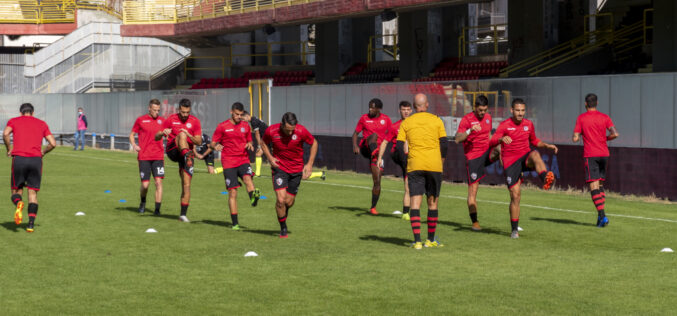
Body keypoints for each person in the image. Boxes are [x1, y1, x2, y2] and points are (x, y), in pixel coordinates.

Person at [489, 98, 558, 239]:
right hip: (510, 163)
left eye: (523, 110)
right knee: (515, 196)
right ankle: (514, 230)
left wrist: (546, 145)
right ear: (512, 110)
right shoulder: (504, 125)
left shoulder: (529, 124)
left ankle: (545, 178)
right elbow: (492, 141)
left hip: (525, 157)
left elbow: (534, 141)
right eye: (518, 110)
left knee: (535, 154)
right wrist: (501, 139)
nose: (520, 113)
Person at [396, 94, 447, 250]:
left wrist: (407, 163)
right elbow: (444, 145)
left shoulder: (407, 122)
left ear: (414, 106)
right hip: (434, 166)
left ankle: (417, 241)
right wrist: (441, 162)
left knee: (415, 203)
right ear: (427, 105)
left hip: (415, 165)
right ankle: (430, 240)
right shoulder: (437, 120)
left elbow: (399, 147)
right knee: (432, 204)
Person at [261, 112, 318, 238]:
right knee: (281, 200)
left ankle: (282, 216)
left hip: (296, 170)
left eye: (292, 130)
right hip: (279, 168)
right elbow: (263, 143)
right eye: (288, 130)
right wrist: (270, 158)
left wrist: (309, 165)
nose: (290, 133)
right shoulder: (272, 131)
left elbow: (314, 143)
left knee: (289, 202)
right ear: (282, 125)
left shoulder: (301, 131)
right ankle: (283, 228)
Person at [3, 103, 56, 232]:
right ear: (33, 112)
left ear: (21, 113)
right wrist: (43, 152)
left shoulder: (14, 121)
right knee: (32, 193)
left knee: (16, 191)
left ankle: (18, 203)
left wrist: (9, 149)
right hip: (36, 161)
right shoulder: (41, 123)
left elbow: (5, 134)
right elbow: (53, 143)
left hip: (19, 159)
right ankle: (30, 225)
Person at [211, 102, 261, 230]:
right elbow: (212, 143)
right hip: (228, 162)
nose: (239, 117)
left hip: (243, 159)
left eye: (241, 114)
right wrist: (216, 146)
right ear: (231, 112)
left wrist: (250, 143)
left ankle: (253, 199)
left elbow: (249, 139)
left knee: (248, 179)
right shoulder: (222, 126)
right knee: (233, 192)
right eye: (237, 114)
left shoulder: (245, 125)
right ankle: (235, 223)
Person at [572, 93, 618, 227]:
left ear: (585, 104)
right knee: (600, 186)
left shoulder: (581, 118)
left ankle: (603, 216)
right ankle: (599, 218)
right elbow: (615, 134)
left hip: (591, 154)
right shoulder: (605, 117)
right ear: (597, 103)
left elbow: (575, 138)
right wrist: (605, 139)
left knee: (593, 186)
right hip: (604, 154)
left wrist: (576, 136)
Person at [454, 95, 499, 231]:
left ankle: (512, 169)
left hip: (486, 153)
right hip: (473, 158)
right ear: (474, 108)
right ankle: (475, 222)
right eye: (480, 110)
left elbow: (489, 136)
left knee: (501, 148)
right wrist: (470, 131)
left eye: (485, 110)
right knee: (473, 191)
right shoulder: (466, 120)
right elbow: (457, 139)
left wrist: (496, 143)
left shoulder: (488, 118)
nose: (482, 113)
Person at [156, 98, 202, 222]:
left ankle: (182, 215)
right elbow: (156, 136)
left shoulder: (195, 121)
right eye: (182, 112)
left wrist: (190, 135)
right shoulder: (171, 119)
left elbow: (199, 141)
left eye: (187, 112)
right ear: (178, 109)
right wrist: (162, 133)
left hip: (186, 155)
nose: (185, 115)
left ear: (190, 110)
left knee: (186, 185)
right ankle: (187, 155)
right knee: (182, 134)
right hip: (174, 151)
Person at [352, 98, 392, 215]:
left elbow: (392, 133)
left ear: (379, 109)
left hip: (378, 154)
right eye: (369, 107)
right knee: (373, 136)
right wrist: (355, 146)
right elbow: (355, 134)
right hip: (365, 148)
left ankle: (373, 207)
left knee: (377, 181)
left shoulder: (386, 120)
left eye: (372, 107)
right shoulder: (364, 118)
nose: (370, 109)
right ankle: (374, 152)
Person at [377, 100, 413, 220]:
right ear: (399, 111)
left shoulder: (416, 124)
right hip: (398, 154)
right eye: (404, 110)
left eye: (408, 110)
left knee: (409, 186)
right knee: (405, 142)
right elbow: (385, 142)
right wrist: (379, 157)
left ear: (411, 111)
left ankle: (406, 213)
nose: (406, 112)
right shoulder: (395, 126)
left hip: (411, 159)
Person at [129, 99, 165, 215]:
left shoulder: (162, 121)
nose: (156, 112)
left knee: (158, 183)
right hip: (144, 157)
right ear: (149, 108)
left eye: (158, 110)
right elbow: (132, 134)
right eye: (154, 110)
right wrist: (134, 145)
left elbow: (170, 136)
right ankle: (143, 202)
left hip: (158, 157)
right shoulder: (141, 120)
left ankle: (157, 210)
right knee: (145, 185)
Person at [241, 111, 267, 177]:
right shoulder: (254, 119)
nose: (243, 121)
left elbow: (257, 134)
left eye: (243, 119)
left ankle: (258, 174)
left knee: (258, 153)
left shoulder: (253, 121)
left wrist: (259, 146)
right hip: (266, 137)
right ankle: (257, 173)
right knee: (258, 154)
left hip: (267, 137)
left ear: (247, 116)